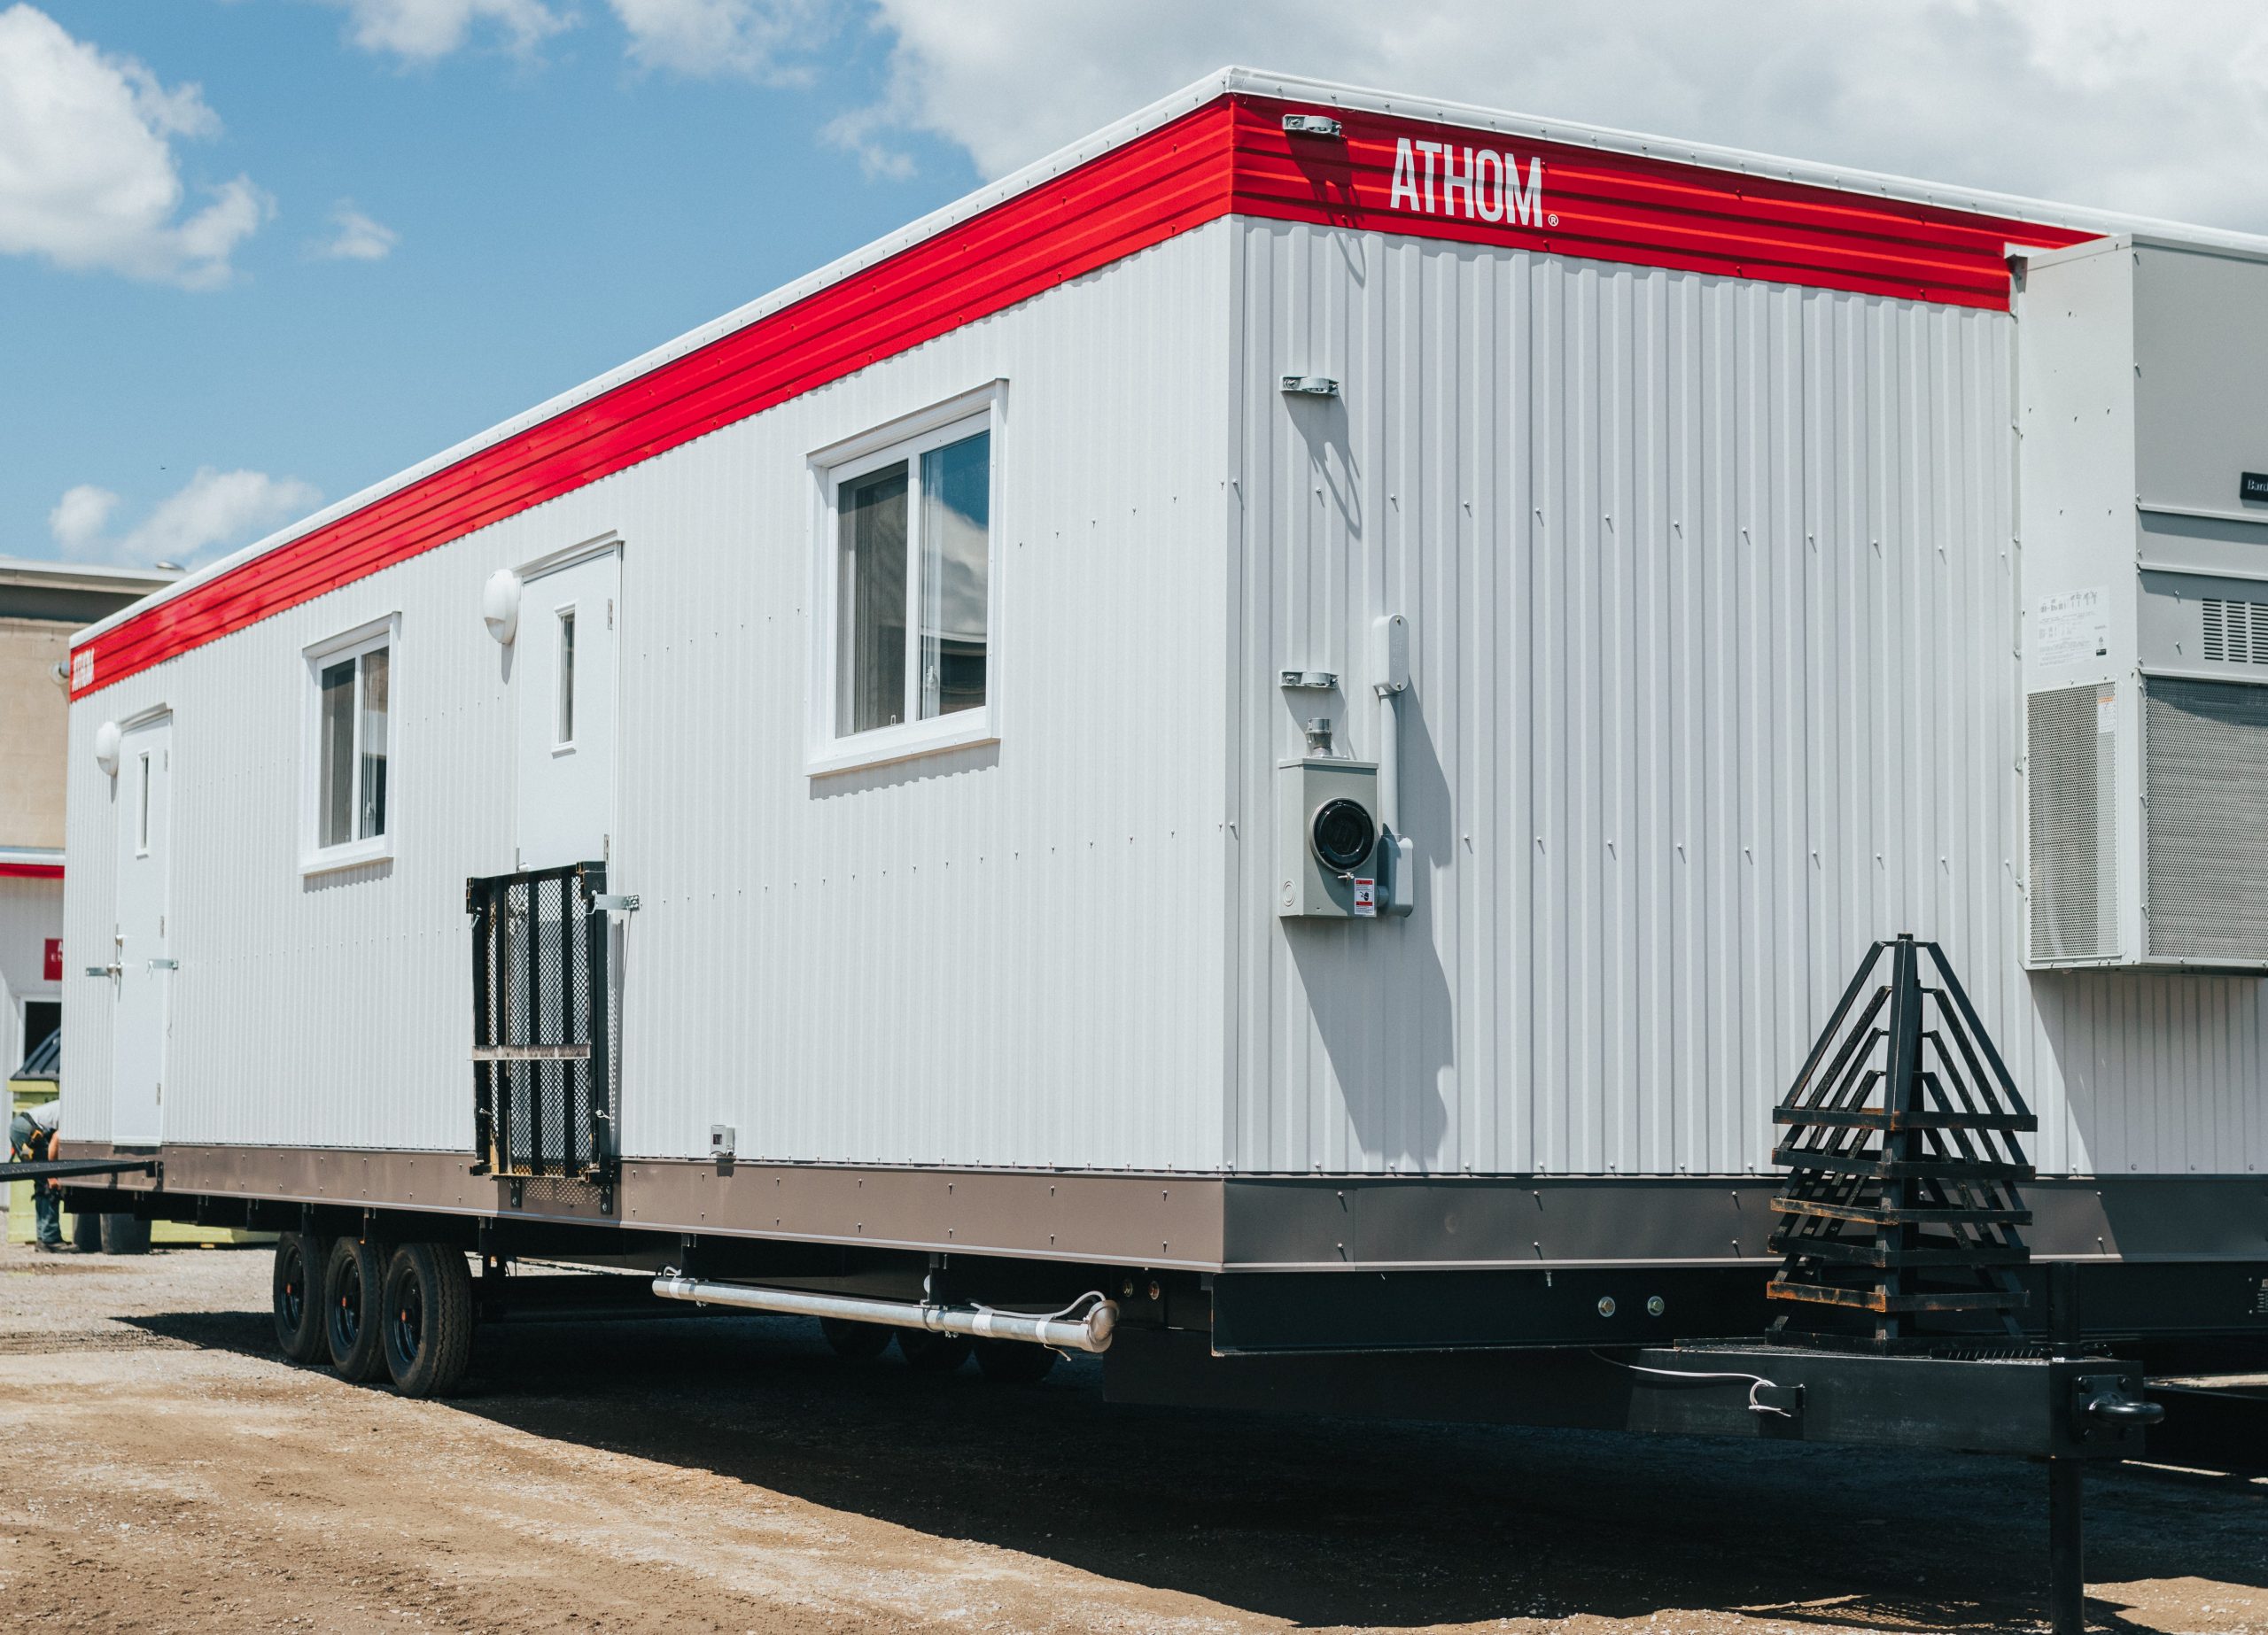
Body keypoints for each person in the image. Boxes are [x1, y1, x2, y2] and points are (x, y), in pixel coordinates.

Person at [7, 1100, 63, 1251]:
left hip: (19, 1131)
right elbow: (56, 1140)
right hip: (28, 1132)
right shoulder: (73, 1112)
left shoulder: (67, 1103)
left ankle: (42, 1238)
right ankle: (49, 1239)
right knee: (48, 1184)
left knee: (41, 1181)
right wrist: (51, 1174)